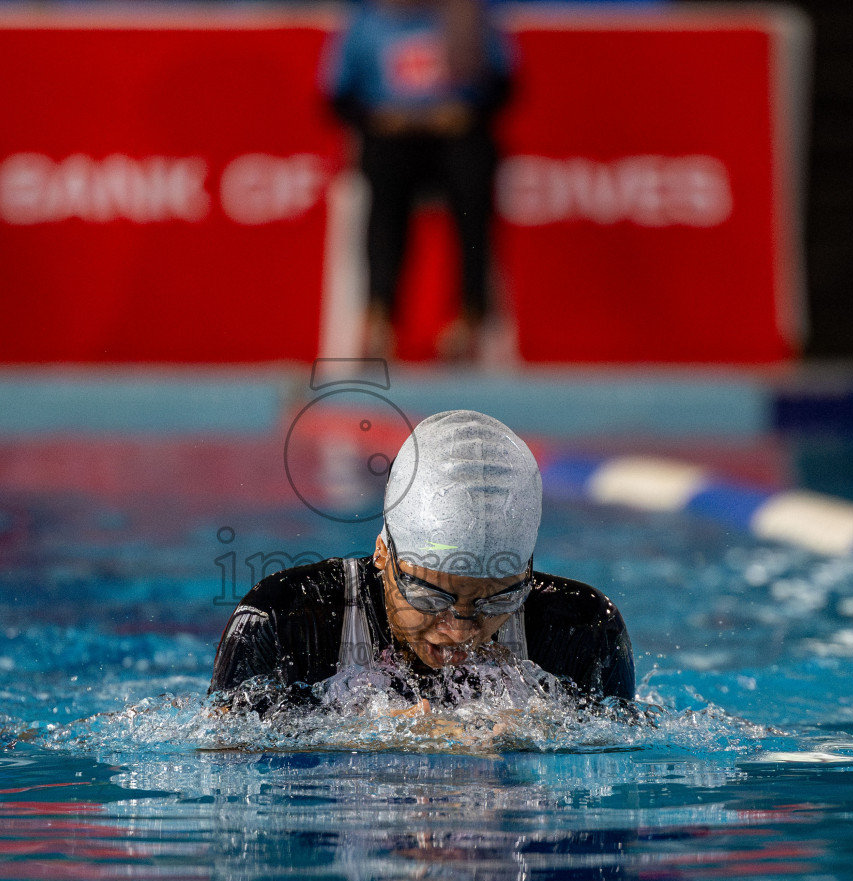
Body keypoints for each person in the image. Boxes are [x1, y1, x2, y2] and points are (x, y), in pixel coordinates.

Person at [210, 410, 634, 717]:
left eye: (497, 601)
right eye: (432, 596)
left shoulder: (584, 631)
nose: (460, 631)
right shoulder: (285, 619)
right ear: (383, 551)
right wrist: (374, 740)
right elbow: (222, 758)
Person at [322, 0, 513, 362]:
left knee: (473, 183)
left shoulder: (467, 16)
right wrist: (382, 119)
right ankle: (379, 316)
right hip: (392, 138)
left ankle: (470, 315)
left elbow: (505, 86)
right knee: (384, 186)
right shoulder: (367, 23)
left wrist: (463, 114)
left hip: (455, 137)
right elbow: (337, 98)